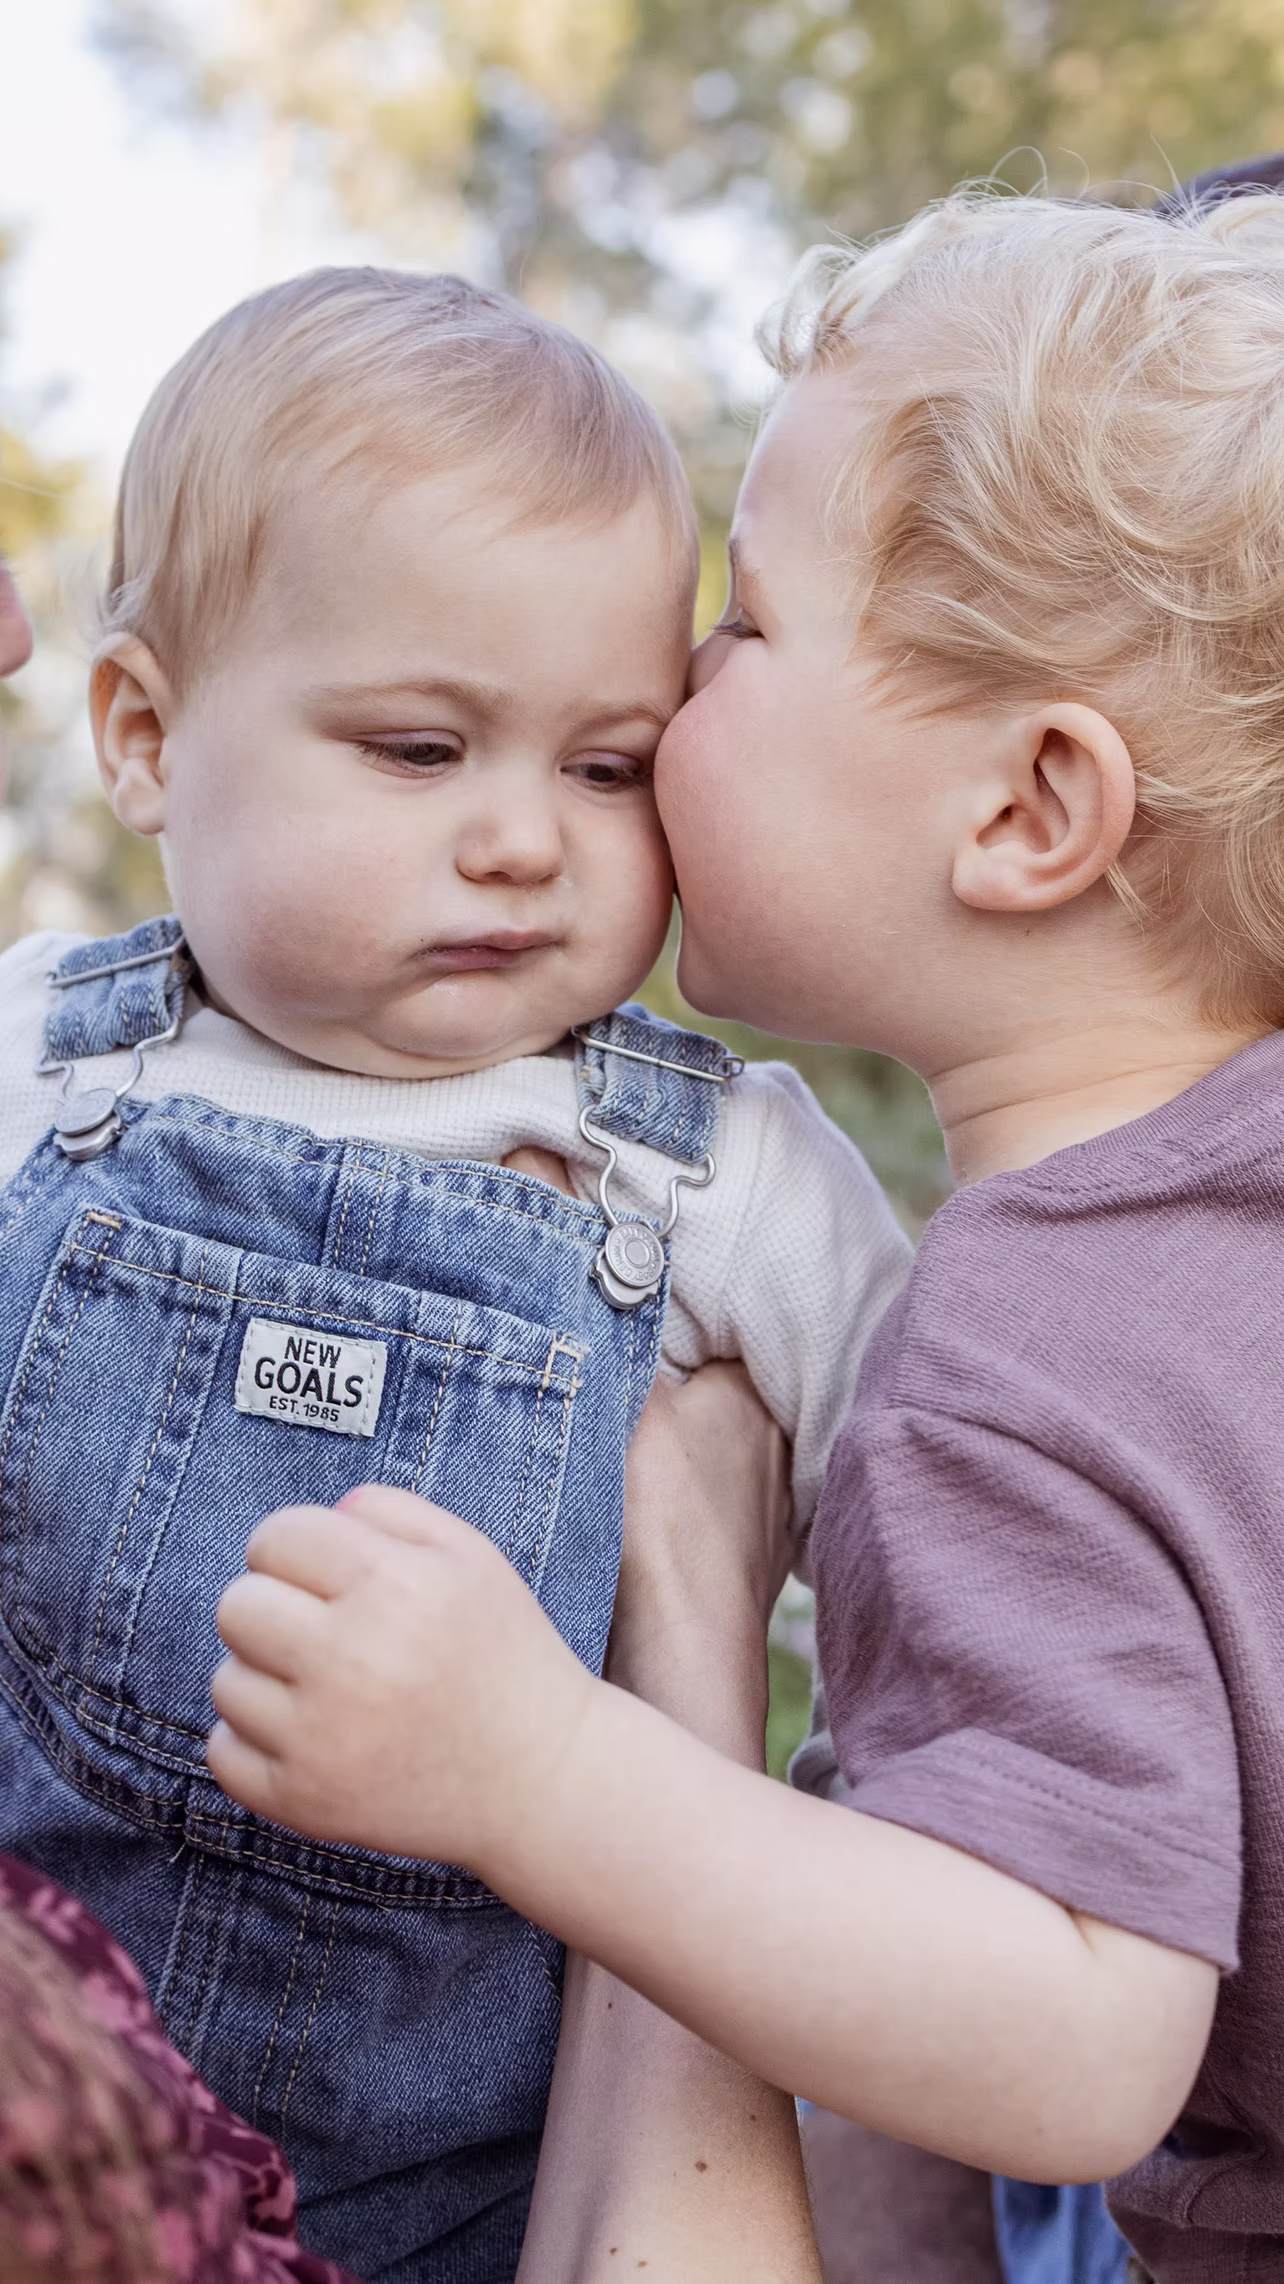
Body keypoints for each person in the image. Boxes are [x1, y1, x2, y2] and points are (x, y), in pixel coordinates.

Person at [208, 183, 1284, 2284]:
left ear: (1029, 815)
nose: (675, 684)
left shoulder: (1017, 1363)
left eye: (755, 625)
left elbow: (1077, 2035)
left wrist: (543, 1765)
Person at [0, 268, 906, 2279]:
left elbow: (938, 1576)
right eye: (420, 748)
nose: (524, 841)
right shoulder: (44, 1059)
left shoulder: (716, 1168)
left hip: (492, 2198)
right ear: (145, 734)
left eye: (607, 767)